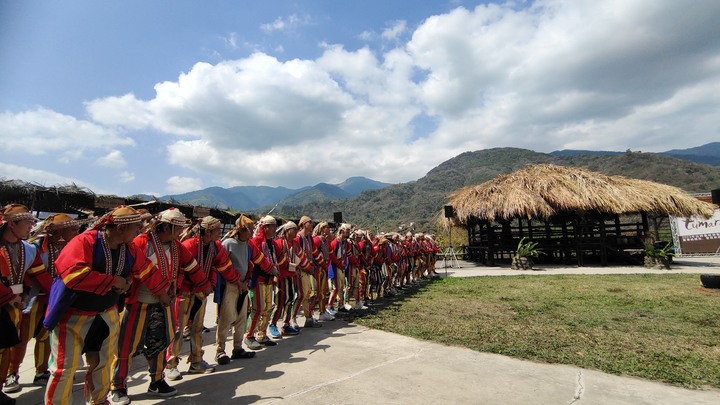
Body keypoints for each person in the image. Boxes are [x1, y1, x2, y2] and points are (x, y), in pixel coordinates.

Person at [44, 206, 169, 405]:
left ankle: (99, 401)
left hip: (106, 314)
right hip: (73, 315)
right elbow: (73, 275)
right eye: (136, 227)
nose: (140, 231)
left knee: (102, 363)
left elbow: (146, 269)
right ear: (120, 228)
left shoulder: (129, 249)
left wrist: (163, 292)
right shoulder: (85, 241)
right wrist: (114, 281)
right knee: (64, 368)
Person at [110, 208, 211, 404]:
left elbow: (192, 266)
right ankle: (118, 386)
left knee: (160, 343)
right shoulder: (141, 242)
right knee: (126, 346)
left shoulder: (177, 246)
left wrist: (204, 284)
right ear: (169, 226)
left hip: (163, 304)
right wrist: (160, 291)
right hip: (138, 303)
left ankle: (156, 381)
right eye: (178, 227)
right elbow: (137, 271)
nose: (181, 231)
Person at [6, 214, 80, 394]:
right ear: (60, 231)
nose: (76, 232)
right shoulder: (36, 249)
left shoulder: (70, 247)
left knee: (45, 337)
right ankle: (12, 373)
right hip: (35, 299)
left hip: (53, 299)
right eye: (72, 229)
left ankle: (41, 371)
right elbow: (36, 275)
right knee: (22, 338)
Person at [167, 216, 240, 378]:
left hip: (201, 293)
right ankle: (171, 364)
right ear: (207, 231)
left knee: (197, 329)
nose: (220, 233)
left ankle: (196, 361)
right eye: (217, 230)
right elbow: (180, 270)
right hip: (184, 294)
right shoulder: (189, 245)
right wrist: (177, 290)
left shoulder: (215, 246)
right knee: (178, 330)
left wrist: (215, 284)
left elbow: (220, 266)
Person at [0, 205, 50, 405]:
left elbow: (35, 275)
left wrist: (26, 294)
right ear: (12, 224)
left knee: (7, 347)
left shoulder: (29, 249)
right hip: (5, 301)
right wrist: (10, 297)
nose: (32, 226)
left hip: (15, 305)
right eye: (28, 222)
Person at [215, 214, 265, 362]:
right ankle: (220, 351)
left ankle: (237, 348)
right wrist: (238, 282)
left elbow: (250, 263)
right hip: (230, 286)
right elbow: (223, 267)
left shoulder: (248, 245)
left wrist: (248, 279)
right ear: (241, 230)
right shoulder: (228, 244)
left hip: (243, 285)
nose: (251, 232)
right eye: (249, 229)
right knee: (226, 318)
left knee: (241, 318)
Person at [244, 216, 280, 348]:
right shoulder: (256, 241)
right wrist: (272, 269)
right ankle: (249, 336)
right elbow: (258, 260)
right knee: (258, 308)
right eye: (273, 226)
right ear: (265, 228)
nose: (275, 229)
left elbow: (278, 258)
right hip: (258, 279)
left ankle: (262, 335)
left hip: (269, 280)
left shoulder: (272, 243)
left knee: (268, 307)